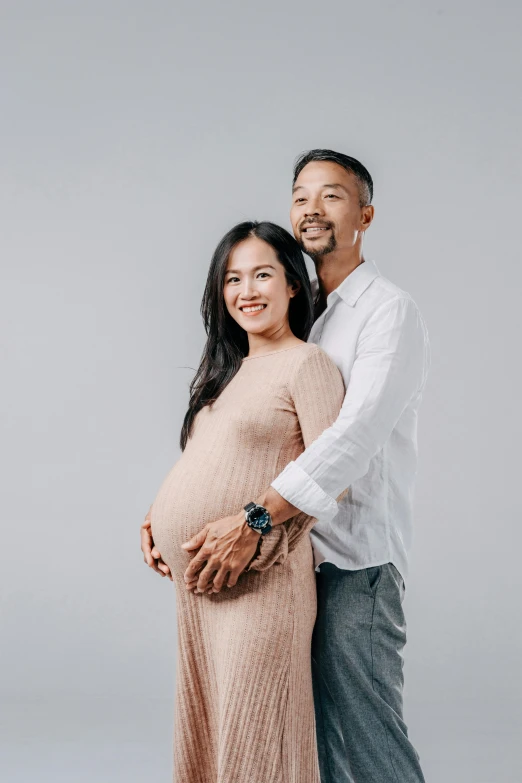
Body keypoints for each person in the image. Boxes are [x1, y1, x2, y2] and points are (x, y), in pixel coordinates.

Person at [143, 149, 430, 783]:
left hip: (354, 560)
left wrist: (254, 518)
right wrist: (169, 505)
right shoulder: (313, 322)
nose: (312, 208)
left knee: (364, 731)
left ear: (365, 214)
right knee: (317, 745)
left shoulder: (387, 312)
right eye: (301, 196)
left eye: (332, 195)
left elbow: (352, 439)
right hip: (293, 562)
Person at [144, 220, 345, 783]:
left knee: (257, 741)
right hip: (202, 591)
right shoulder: (227, 373)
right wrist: (156, 519)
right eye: (233, 279)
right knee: (211, 737)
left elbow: (333, 476)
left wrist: (254, 527)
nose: (246, 291)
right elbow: (212, 459)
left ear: (294, 286)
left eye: (262, 274)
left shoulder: (307, 364)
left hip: (260, 584)